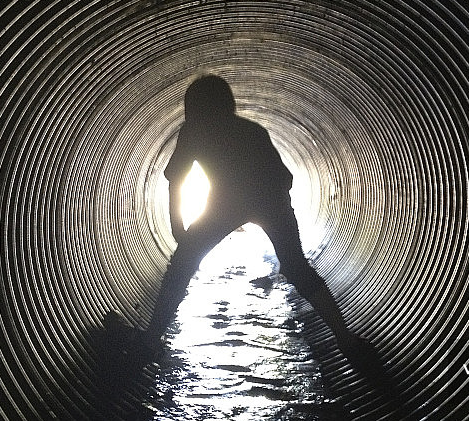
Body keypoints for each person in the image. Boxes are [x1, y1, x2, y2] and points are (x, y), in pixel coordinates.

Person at [133, 74, 379, 371]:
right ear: (229, 104)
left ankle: (149, 342)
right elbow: (285, 178)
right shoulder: (249, 130)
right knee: (296, 267)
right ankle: (346, 339)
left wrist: (179, 227)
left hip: (226, 202)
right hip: (266, 201)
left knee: (182, 265)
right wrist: (268, 205)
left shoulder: (194, 132)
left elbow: (176, 178)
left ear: (192, 108)